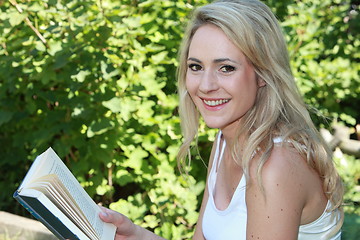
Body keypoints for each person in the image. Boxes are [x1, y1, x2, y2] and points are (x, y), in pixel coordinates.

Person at [99, 0, 344, 239]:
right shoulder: (226, 140)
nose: (205, 86)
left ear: (263, 74)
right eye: (196, 67)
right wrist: (137, 236)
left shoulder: (275, 165)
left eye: (225, 68)